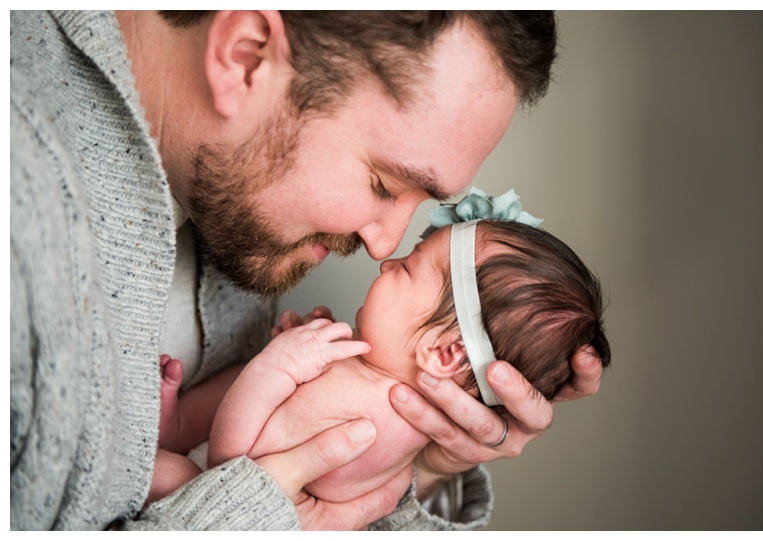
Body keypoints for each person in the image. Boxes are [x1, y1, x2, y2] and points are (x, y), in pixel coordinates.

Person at [10, 10, 605, 531]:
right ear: (246, 59)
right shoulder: (21, 206)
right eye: (382, 184)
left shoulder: (234, 201)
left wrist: (422, 468)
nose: (384, 245)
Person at [151, 190, 611, 505]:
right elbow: (296, 411)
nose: (387, 262)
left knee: (160, 475)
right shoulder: (380, 384)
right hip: (229, 457)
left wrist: (281, 365)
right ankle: (179, 424)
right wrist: (307, 350)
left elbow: (233, 464)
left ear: (442, 353)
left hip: (216, 488)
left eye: (408, 269)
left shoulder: (376, 422)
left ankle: (176, 431)